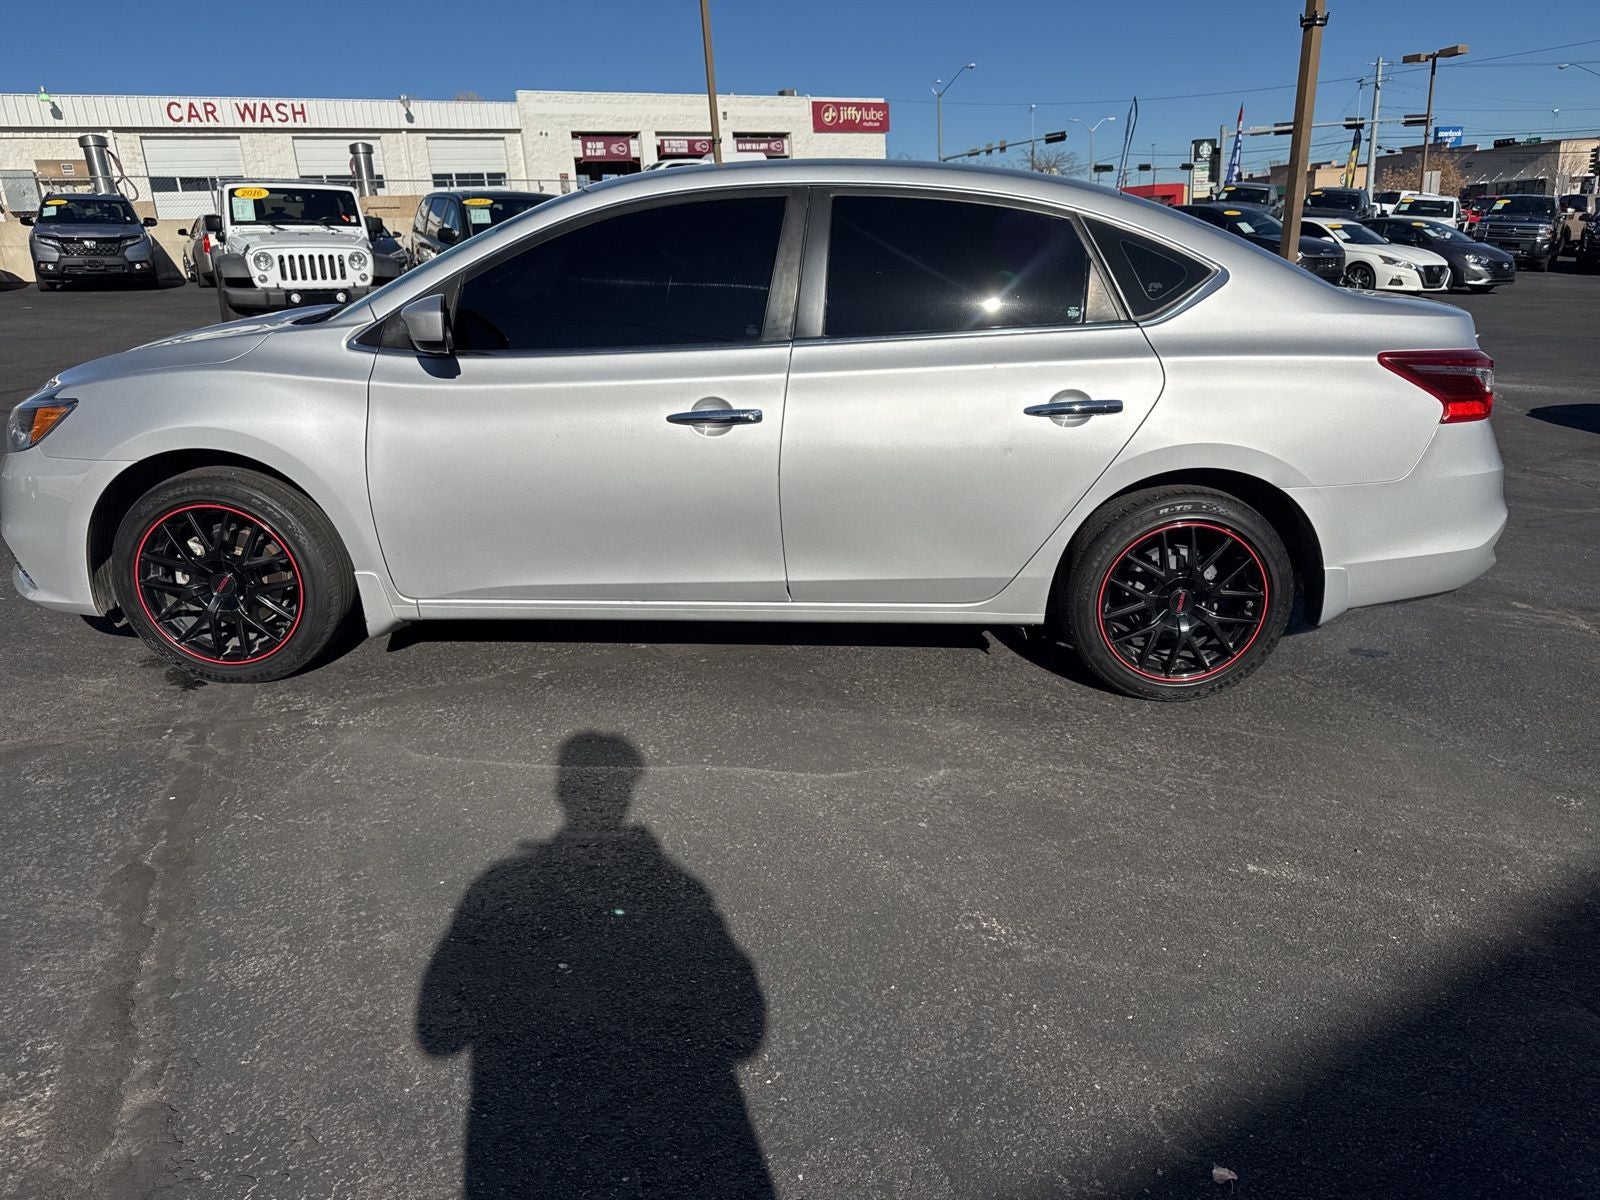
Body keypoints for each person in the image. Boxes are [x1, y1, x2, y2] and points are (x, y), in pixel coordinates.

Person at [417, 732, 772, 1199]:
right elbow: (743, 1029)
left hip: (533, 1151)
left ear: (562, 791)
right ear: (625, 795)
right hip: (662, 1149)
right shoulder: (677, 894)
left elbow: (439, 1032)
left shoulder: (501, 891)